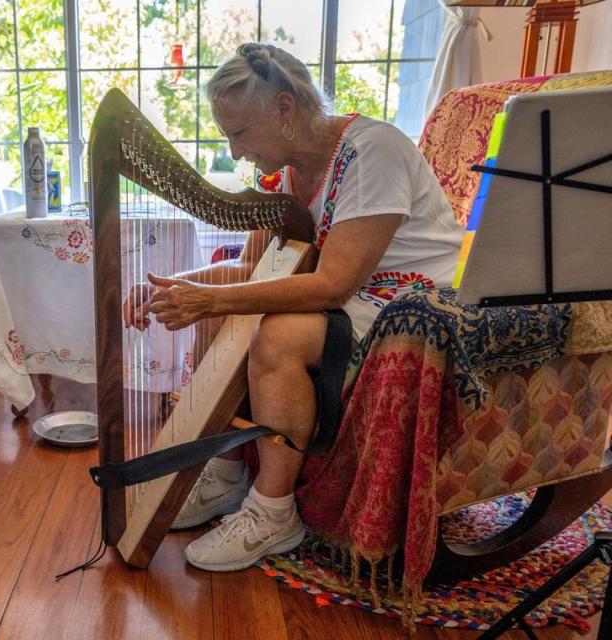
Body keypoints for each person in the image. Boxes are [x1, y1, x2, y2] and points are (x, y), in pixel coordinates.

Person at [122, 42, 464, 572]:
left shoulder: (373, 151)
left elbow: (332, 285)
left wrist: (209, 298)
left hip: (407, 303)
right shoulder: (284, 175)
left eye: (240, 133)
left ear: (284, 109)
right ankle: (225, 473)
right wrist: (174, 287)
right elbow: (248, 272)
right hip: (349, 299)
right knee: (221, 311)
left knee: (277, 335)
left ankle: (274, 513)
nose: (235, 152)